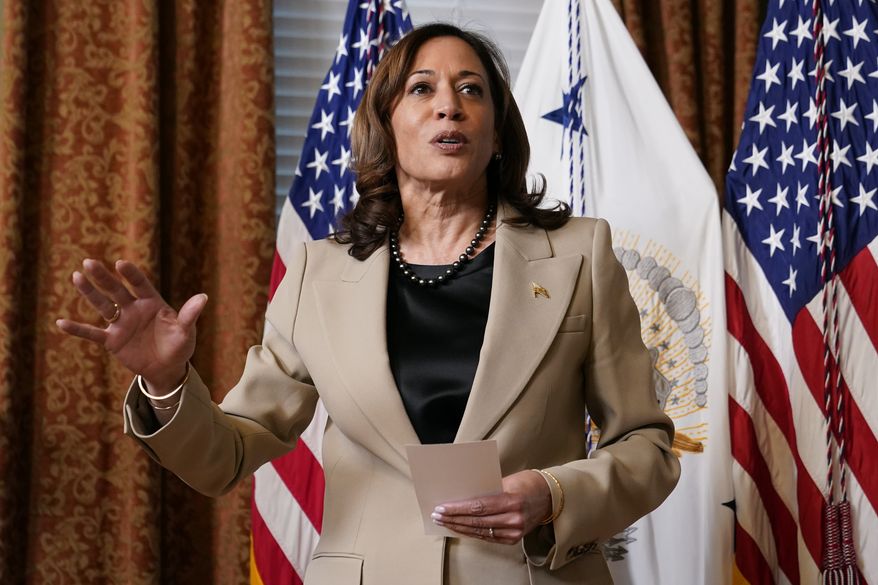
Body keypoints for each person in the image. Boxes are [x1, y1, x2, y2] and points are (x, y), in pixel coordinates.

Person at [57, 23, 680, 585]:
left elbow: (646, 447)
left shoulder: (578, 254)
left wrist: (554, 493)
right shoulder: (317, 273)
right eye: (421, 89)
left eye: (472, 90)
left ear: (496, 134)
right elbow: (229, 454)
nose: (449, 105)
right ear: (386, 124)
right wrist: (166, 380)